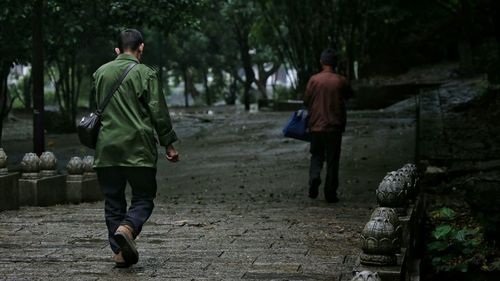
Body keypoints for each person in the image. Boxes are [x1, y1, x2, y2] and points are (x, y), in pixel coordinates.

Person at [92, 29, 179, 267]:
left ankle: (120, 252)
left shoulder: (100, 73)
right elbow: (158, 112)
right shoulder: (146, 73)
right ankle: (127, 229)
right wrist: (168, 144)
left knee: (113, 202)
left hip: (107, 149)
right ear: (141, 47)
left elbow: (97, 110)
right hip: (138, 150)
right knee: (143, 198)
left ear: (117, 50)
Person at [303, 48, 353, 203]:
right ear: (335, 64)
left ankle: (314, 177)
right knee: (332, 159)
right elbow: (349, 96)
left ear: (321, 62)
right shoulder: (341, 80)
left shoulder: (314, 80)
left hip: (316, 125)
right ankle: (330, 193)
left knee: (317, 155)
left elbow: (306, 101)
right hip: (334, 126)